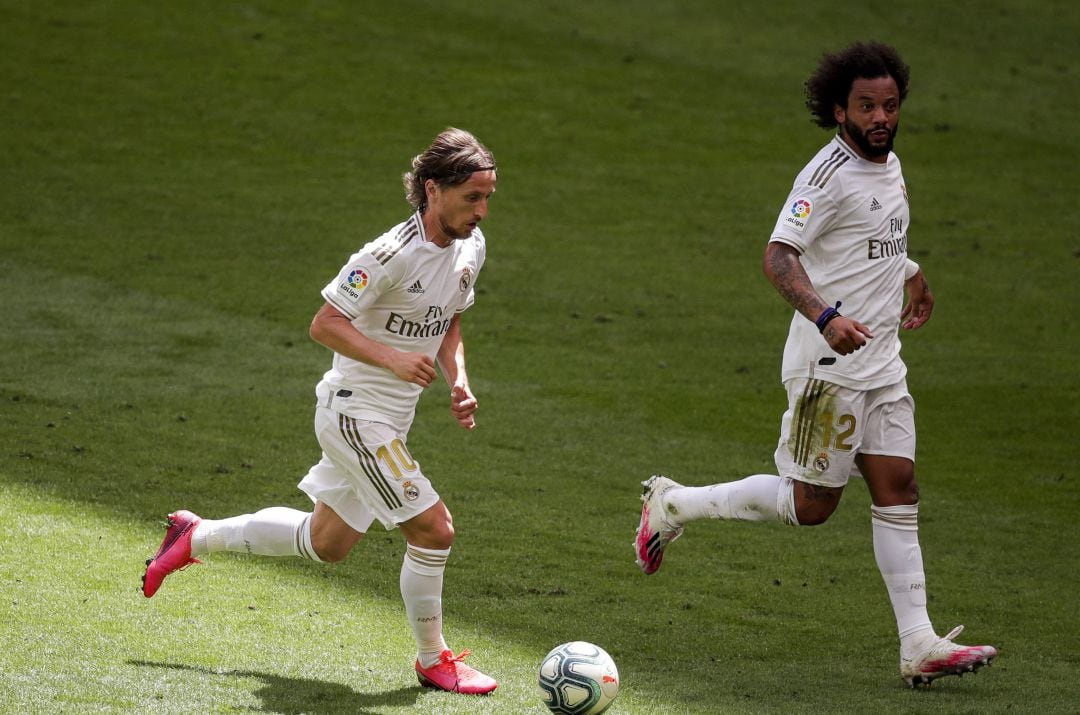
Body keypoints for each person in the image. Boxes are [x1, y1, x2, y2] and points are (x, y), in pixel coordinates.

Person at [633, 42, 998, 687]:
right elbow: (780, 257)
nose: (882, 116)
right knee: (810, 507)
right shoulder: (824, 178)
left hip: (883, 363)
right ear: (839, 110)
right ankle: (673, 505)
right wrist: (827, 317)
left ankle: (919, 643)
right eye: (867, 106)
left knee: (898, 489)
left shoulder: (888, 164)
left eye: (890, 105)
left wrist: (911, 273)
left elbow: (872, 238)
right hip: (828, 368)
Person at [142, 127, 499, 695]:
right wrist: (392, 357)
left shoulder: (469, 248)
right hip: (354, 416)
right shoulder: (386, 255)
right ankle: (434, 659)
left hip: (390, 420)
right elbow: (324, 324)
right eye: (472, 198)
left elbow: (450, 318)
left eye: (487, 198)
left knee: (327, 542)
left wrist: (458, 379)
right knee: (434, 530)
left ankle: (195, 536)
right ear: (433, 190)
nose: (482, 211)